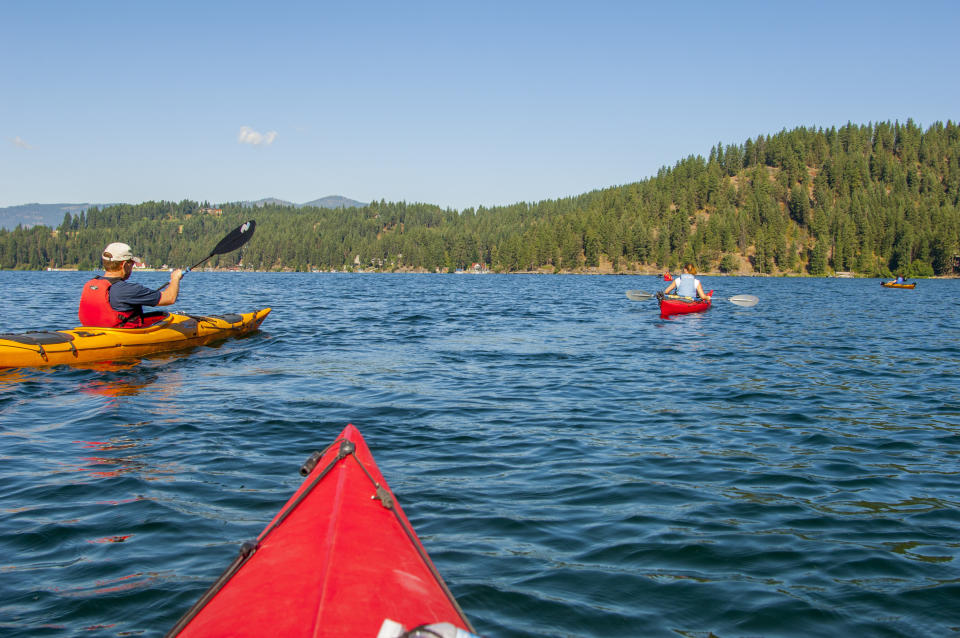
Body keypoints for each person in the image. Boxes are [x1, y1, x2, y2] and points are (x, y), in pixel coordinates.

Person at [79, 242, 183, 327]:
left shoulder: (90, 285)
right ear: (124, 265)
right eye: (132, 263)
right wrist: (175, 278)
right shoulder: (129, 289)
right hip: (119, 338)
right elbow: (170, 298)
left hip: (93, 332)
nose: (132, 266)